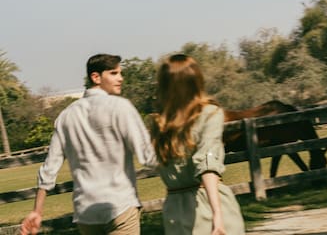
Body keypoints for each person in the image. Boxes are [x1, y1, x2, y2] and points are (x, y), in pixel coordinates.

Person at [21, 54, 156, 235]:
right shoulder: (121, 107)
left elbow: (49, 169)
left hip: (86, 213)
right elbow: (147, 157)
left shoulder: (66, 116)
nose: (120, 78)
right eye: (114, 73)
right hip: (120, 206)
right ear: (96, 77)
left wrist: (37, 211)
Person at [149, 54, 245, 235]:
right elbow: (207, 162)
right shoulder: (209, 114)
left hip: (174, 211)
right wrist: (217, 214)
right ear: (195, 81)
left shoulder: (158, 123)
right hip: (204, 204)